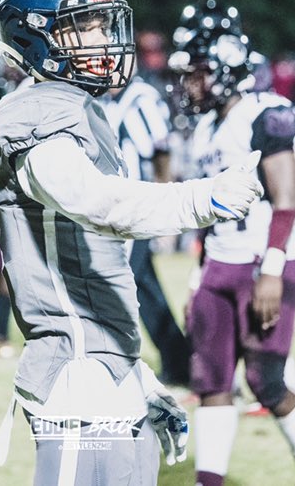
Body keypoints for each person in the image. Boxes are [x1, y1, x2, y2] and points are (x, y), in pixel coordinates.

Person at [0, 0, 265, 485]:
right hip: (75, 383)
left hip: (106, 373)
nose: (102, 38)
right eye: (84, 26)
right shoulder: (31, 115)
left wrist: (135, 377)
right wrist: (204, 198)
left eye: (101, 23)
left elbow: (92, 267)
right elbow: (98, 203)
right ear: (36, 35)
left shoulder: (75, 105)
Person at [168, 0, 295, 486]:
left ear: (224, 67)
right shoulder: (204, 128)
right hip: (219, 265)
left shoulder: (266, 114)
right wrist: (197, 279)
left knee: (266, 382)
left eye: (198, 73)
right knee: (211, 383)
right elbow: (207, 215)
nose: (189, 84)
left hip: (264, 263)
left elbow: (287, 199)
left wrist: (272, 270)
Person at [100, 67, 191, 387]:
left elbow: (161, 149)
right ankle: (179, 359)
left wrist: (162, 199)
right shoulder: (103, 100)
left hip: (137, 205)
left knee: (119, 280)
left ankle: (112, 361)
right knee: (144, 286)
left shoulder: (142, 98)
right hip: (114, 208)